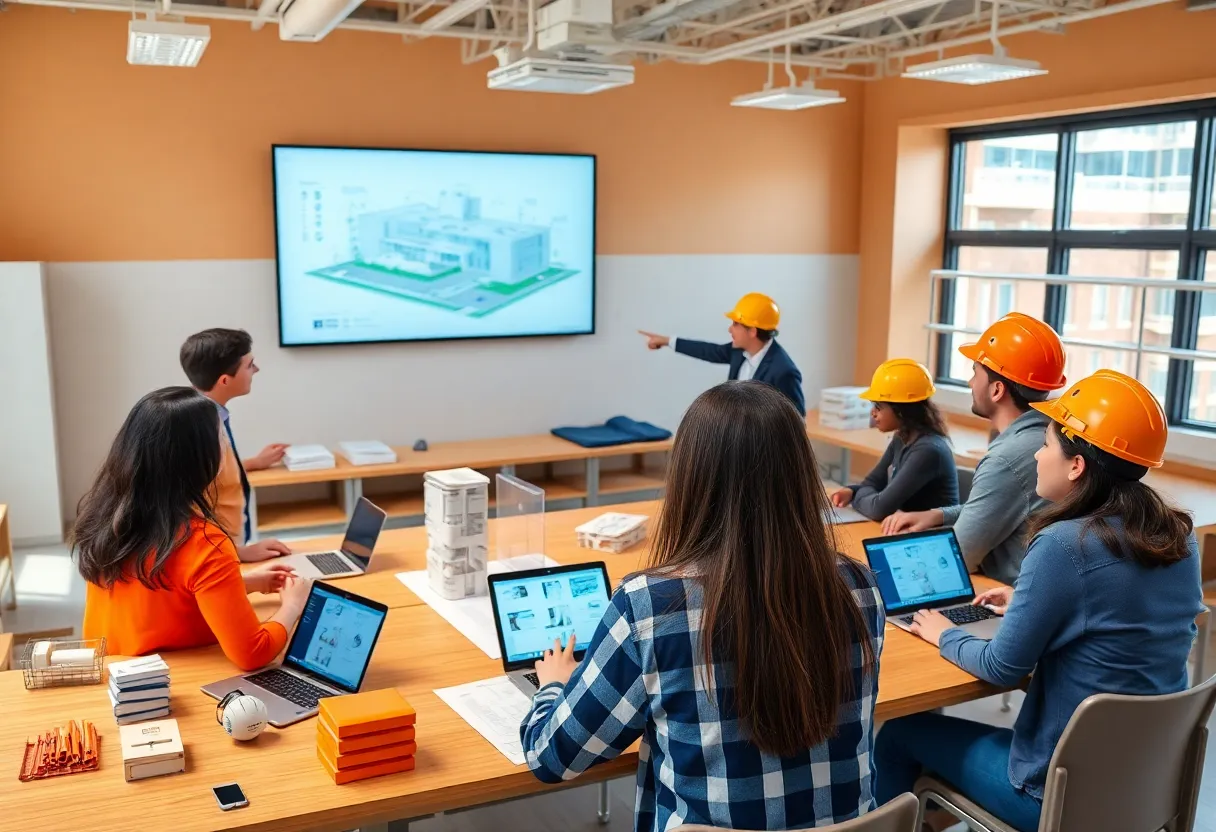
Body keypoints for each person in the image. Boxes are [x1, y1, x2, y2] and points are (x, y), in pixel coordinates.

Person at [520, 381, 884, 830]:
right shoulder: (860, 587)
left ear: (690, 478)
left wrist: (553, 686)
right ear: (800, 474)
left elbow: (553, 757)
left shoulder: (649, 607)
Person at [875, 370, 1204, 832]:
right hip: (1145, 784)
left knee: (900, 734)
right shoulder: (1177, 536)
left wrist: (944, 632)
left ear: (1076, 466)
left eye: (1047, 444)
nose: (1036, 453)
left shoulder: (1063, 545)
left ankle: (932, 815)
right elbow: (1119, 614)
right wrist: (1027, 600)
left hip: (1060, 795)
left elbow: (1000, 667)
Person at [76, 387, 313, 672]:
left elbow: (161, 594)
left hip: (108, 675)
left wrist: (244, 584)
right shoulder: (205, 543)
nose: (224, 447)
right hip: (163, 686)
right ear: (198, 458)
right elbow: (252, 653)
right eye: (220, 438)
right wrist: (293, 606)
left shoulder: (107, 515)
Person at [882, 313, 1066, 583]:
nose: (970, 383)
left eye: (974, 373)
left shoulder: (1008, 458)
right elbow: (993, 507)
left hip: (1001, 594)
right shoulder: (1044, 437)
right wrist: (938, 516)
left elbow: (958, 557)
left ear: (997, 390)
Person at [180, 328, 289, 561]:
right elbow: (188, 513)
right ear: (225, 380)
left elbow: (212, 473)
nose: (256, 370)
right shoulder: (202, 433)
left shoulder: (205, 416)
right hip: (217, 557)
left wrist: (254, 463)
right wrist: (239, 553)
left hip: (225, 551)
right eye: (250, 365)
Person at [832, 358, 959, 521]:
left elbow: (879, 509)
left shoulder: (928, 450)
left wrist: (857, 494)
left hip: (933, 539)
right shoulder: (902, 437)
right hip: (907, 530)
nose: (873, 413)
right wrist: (856, 490)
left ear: (901, 410)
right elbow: (872, 483)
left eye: (878, 407)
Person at [638, 292, 805, 415]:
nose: (730, 329)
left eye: (735, 324)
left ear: (752, 331)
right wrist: (668, 341)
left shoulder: (784, 371)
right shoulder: (739, 351)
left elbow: (797, 420)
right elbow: (708, 351)